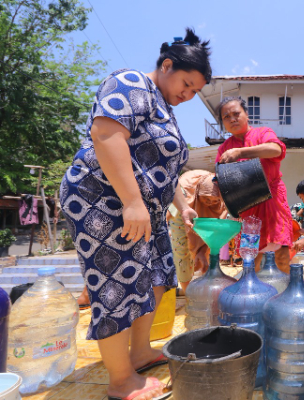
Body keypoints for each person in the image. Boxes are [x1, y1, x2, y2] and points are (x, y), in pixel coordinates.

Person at [60, 28, 211, 400]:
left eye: (194, 92)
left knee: (157, 275)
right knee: (115, 282)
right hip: (102, 199)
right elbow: (106, 134)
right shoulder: (131, 83)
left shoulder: (165, 110)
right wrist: (131, 201)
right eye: (186, 84)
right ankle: (120, 380)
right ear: (167, 64)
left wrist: (183, 205)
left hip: (146, 210)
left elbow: (166, 170)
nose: (187, 95)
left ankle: (140, 352)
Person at [215, 97, 293, 273]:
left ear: (247, 115)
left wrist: (241, 152)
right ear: (223, 123)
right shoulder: (224, 148)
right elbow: (220, 178)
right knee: (251, 258)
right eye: (226, 117)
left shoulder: (263, 133)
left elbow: (276, 149)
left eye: (236, 113)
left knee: (280, 253)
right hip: (248, 207)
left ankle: (284, 295)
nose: (232, 119)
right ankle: (255, 297)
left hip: (273, 201)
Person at [166, 169, 227, 295]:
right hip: (182, 211)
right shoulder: (184, 193)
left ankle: (206, 292)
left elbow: (213, 232)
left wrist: (203, 250)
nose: (210, 204)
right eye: (206, 200)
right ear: (198, 194)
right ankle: (188, 294)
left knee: (207, 257)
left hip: (197, 205)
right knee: (181, 254)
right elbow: (172, 218)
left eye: (215, 200)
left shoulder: (220, 204)